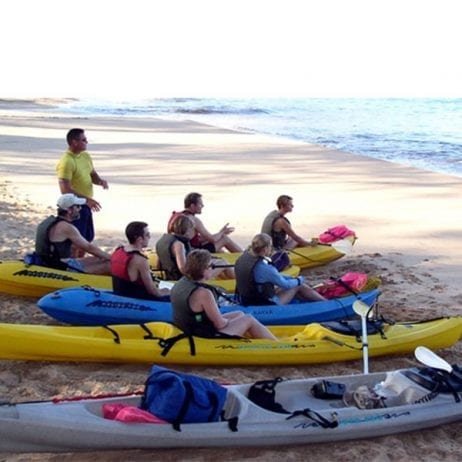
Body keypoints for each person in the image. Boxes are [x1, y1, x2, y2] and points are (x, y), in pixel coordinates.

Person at [171, 249, 277, 340]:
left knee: (239, 314)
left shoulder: (182, 282)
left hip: (193, 327)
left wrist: (234, 320)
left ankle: (252, 337)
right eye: (211, 266)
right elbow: (220, 324)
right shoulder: (203, 293)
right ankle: (277, 344)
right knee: (248, 319)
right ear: (204, 270)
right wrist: (230, 322)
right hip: (205, 337)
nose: (213, 269)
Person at [56, 128, 109, 256]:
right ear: (74, 142)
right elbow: (65, 189)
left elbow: (92, 173)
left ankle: (81, 263)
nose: (87, 142)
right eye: (83, 140)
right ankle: (73, 265)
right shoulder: (67, 161)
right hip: (75, 205)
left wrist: (100, 181)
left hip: (86, 204)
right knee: (76, 241)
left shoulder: (85, 156)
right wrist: (87, 200)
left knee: (86, 237)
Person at [235, 233, 326, 306]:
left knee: (289, 283)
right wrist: (300, 280)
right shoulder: (264, 267)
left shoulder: (243, 258)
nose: (271, 249)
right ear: (266, 248)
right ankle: (326, 303)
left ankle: (311, 302)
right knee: (298, 285)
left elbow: (270, 277)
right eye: (270, 246)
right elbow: (286, 285)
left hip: (246, 298)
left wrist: (290, 277)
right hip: (264, 304)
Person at [35, 193, 111, 274]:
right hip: (61, 267)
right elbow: (89, 247)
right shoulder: (66, 227)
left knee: (99, 258)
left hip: (49, 262)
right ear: (69, 210)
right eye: (77, 206)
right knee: (110, 265)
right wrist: (112, 258)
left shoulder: (50, 222)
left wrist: (104, 256)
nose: (80, 209)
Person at [157, 215, 235, 280]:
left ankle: (227, 278)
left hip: (169, 275)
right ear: (188, 231)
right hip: (182, 279)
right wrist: (200, 269)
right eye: (194, 230)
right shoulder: (179, 245)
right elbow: (183, 269)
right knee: (223, 263)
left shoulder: (163, 239)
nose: (195, 233)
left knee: (215, 260)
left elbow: (159, 263)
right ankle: (238, 281)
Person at [111, 221, 170, 300]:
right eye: (147, 235)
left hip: (119, 295)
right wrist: (167, 291)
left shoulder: (118, 251)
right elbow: (153, 292)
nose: (149, 237)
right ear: (139, 239)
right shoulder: (140, 260)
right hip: (136, 299)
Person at [167, 192, 242, 253]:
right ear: (192, 206)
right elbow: (213, 239)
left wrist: (218, 234)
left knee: (218, 248)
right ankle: (243, 259)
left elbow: (195, 238)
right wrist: (222, 232)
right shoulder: (194, 220)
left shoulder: (176, 215)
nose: (202, 206)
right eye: (200, 204)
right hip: (192, 251)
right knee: (224, 239)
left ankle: (229, 264)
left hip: (180, 247)